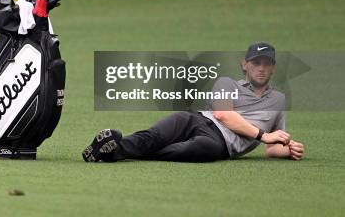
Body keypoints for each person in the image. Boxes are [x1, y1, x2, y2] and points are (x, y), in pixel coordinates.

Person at [83, 42, 305, 163]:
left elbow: (271, 149)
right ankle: (109, 148)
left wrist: (289, 150)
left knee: (189, 150)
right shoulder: (226, 83)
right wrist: (263, 135)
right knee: (155, 136)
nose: (261, 68)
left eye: (267, 63)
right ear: (244, 65)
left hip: (220, 143)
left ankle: (109, 152)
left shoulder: (278, 101)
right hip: (194, 119)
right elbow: (223, 115)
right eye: (256, 62)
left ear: (274, 67)